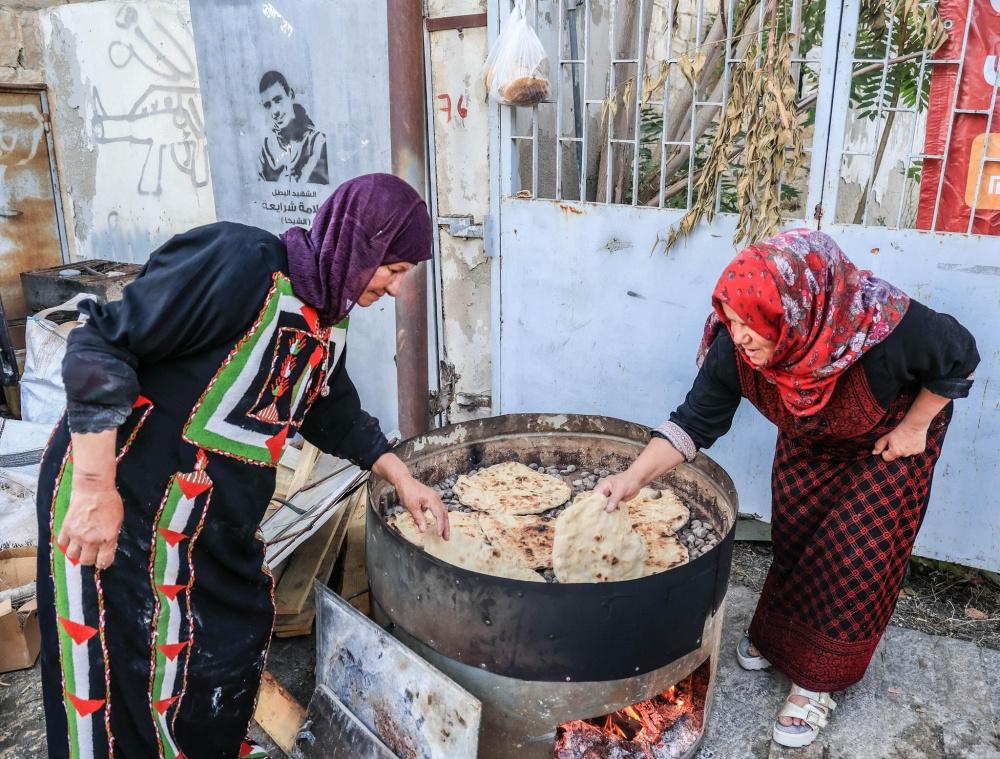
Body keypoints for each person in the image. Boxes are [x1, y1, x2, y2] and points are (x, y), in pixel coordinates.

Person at [36, 174, 450, 758]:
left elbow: (330, 410)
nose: (396, 287)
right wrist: (94, 488)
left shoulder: (325, 318)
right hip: (124, 506)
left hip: (205, 524)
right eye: (394, 268)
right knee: (122, 665)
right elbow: (101, 344)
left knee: (223, 648)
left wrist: (402, 478)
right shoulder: (242, 262)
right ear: (359, 243)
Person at [597, 229, 978, 749]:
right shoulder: (734, 348)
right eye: (731, 320)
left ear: (798, 315)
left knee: (853, 557)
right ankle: (779, 640)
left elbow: (960, 353)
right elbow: (693, 422)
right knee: (797, 538)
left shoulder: (884, 329)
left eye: (753, 323)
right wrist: (631, 479)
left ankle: (816, 682)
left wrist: (916, 426)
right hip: (812, 438)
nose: (739, 335)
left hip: (888, 444)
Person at [257, 70, 329, 184]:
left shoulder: (316, 143)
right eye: (268, 105)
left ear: (290, 95)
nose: (275, 111)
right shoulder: (266, 153)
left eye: (278, 100)